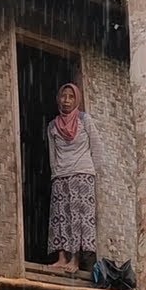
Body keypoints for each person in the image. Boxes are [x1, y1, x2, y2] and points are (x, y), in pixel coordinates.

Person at [46, 82, 104, 274]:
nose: (67, 101)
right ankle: (62, 258)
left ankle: (75, 260)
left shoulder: (84, 120)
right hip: (61, 175)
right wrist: (55, 174)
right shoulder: (52, 126)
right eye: (63, 96)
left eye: (71, 97)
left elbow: (96, 146)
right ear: (58, 100)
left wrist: (94, 171)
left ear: (77, 99)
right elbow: (52, 153)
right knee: (60, 217)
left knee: (79, 218)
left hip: (82, 174)